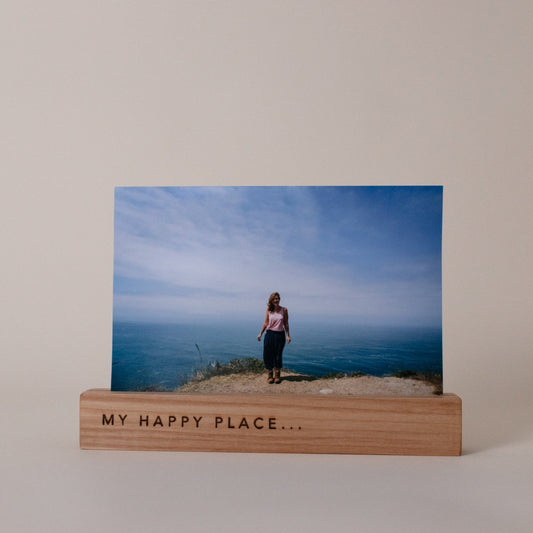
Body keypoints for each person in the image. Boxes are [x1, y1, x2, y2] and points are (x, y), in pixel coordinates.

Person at [257, 292, 291, 384]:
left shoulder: (284, 310)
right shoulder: (269, 310)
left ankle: (277, 375)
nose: (276, 300)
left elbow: (286, 324)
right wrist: (260, 333)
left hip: (280, 334)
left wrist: (288, 335)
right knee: (267, 354)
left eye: (277, 298)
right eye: (274, 299)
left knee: (278, 355)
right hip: (270, 334)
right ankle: (270, 375)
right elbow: (266, 322)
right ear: (271, 300)